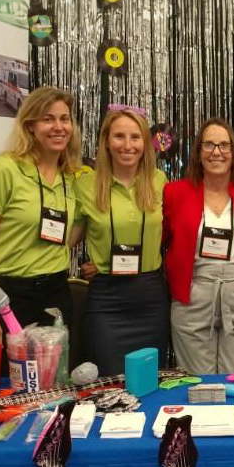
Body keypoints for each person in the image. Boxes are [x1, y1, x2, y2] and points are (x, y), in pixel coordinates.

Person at [0, 86, 81, 360]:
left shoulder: (72, 176)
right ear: (30, 125)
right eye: (48, 119)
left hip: (56, 294)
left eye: (64, 119)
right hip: (8, 296)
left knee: (55, 384)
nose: (59, 127)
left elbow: (66, 237)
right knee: (8, 391)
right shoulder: (4, 170)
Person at [71, 109, 169, 375]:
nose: (128, 145)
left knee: (149, 382)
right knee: (110, 383)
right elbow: (68, 239)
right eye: (119, 136)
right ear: (106, 141)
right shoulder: (85, 186)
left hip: (151, 298)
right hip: (106, 301)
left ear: (145, 143)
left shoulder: (159, 181)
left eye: (135, 137)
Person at [163, 119, 234, 373]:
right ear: (198, 152)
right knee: (198, 384)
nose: (216, 152)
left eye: (223, 145)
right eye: (208, 145)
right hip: (193, 295)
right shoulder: (175, 192)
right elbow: (157, 240)